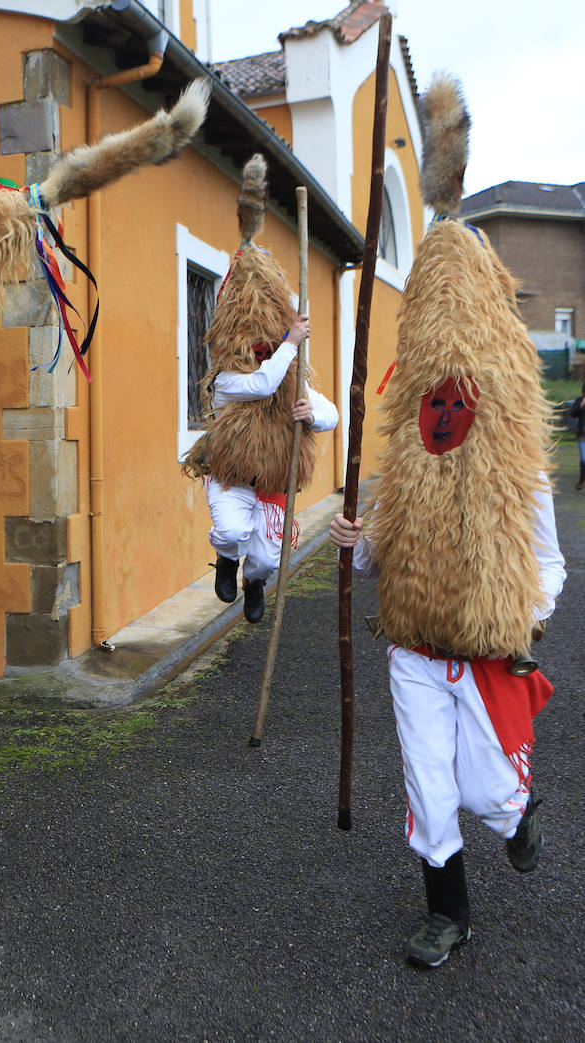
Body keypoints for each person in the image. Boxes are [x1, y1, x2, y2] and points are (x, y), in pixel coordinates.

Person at [325, 72, 566, 970]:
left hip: (486, 649)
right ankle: (447, 912)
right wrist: (357, 547)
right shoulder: (404, 458)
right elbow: (381, 555)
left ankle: (517, 811)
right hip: (415, 649)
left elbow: (549, 562)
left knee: (486, 788)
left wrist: (524, 618)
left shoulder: (516, 462)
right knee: (430, 786)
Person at [204, 313, 337, 622]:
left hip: (272, 483)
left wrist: (312, 415)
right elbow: (263, 384)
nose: (262, 356)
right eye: (256, 350)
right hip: (231, 478)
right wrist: (291, 342)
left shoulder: (293, 383)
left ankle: (253, 582)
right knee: (232, 532)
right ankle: (226, 559)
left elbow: (331, 413)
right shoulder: (225, 380)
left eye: (268, 350)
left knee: (266, 560)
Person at [568, 382, 585, 490]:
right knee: (584, 459)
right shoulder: (579, 400)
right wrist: (581, 406)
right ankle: (582, 478)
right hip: (582, 435)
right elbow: (573, 413)